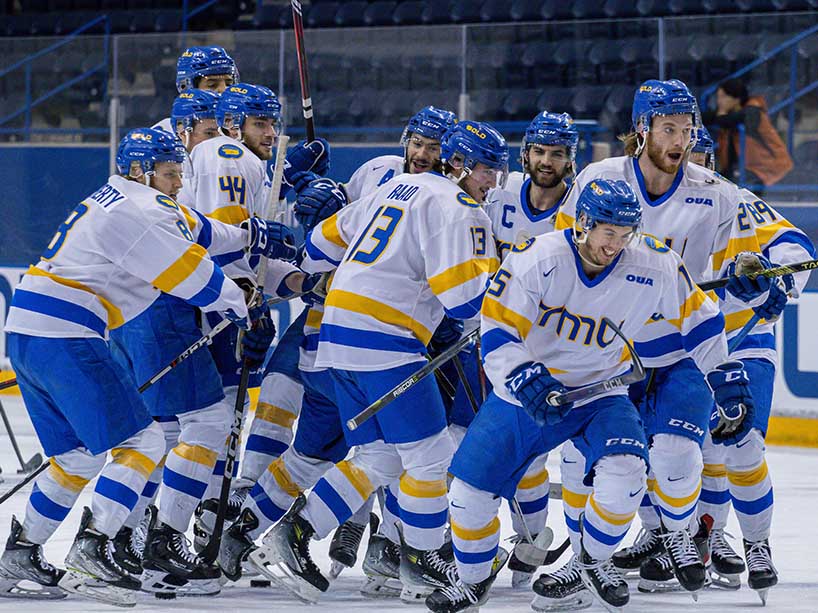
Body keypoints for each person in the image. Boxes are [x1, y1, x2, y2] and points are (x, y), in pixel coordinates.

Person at [426, 178, 755, 613]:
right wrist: (524, 375)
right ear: (583, 223)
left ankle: (592, 563)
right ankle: (471, 581)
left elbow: (701, 322)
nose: (615, 245)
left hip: (601, 391)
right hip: (527, 394)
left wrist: (725, 374)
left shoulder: (655, 262)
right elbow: (497, 329)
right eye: (608, 233)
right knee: (467, 495)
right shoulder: (536, 258)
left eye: (624, 234)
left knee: (627, 474)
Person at [241, 121, 504, 605]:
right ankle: (420, 559)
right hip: (388, 339)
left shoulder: (399, 186)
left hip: (333, 335)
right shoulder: (459, 209)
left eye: (497, 172)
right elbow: (466, 302)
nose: (492, 182)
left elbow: (318, 246)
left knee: (382, 457)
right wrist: (510, 295)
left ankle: (294, 534)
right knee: (431, 458)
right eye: (487, 170)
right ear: (462, 165)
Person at [0, 128, 255, 606]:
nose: (179, 182)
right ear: (142, 171)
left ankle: (22, 551)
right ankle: (94, 550)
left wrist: (249, 235)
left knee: (78, 456)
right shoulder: (143, 209)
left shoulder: (119, 197)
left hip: (29, 330)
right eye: (171, 173)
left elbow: (197, 227)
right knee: (145, 441)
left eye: (181, 173)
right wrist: (240, 302)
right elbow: (194, 275)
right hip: (68, 332)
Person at [539, 78, 758, 607]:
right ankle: (586, 559)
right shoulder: (598, 178)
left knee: (678, 454)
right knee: (585, 466)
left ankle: (678, 532)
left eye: (686, 129)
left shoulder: (717, 192)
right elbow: (564, 253)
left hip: (680, 352)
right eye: (668, 128)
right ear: (642, 130)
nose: (679, 140)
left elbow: (741, 263)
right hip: (608, 354)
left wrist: (749, 275)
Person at [107, 104, 295, 597]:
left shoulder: (162, 183)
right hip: (167, 313)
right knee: (201, 429)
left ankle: (127, 540)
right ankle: (153, 545)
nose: (266, 133)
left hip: (151, 313)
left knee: (166, 435)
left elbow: (220, 240)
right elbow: (209, 253)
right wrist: (245, 308)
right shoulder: (219, 163)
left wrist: (268, 268)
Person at [691, 126, 816, 600]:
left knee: (741, 445)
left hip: (742, 341)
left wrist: (776, 286)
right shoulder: (652, 207)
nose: (696, 166)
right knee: (689, 451)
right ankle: (694, 536)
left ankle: (756, 544)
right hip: (679, 344)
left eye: (703, 157)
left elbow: (794, 247)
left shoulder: (737, 201)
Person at [704, 78, 793, 192]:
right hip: (748, 167)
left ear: (736, 99)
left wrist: (721, 113)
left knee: (729, 187)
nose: (719, 101)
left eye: (723, 97)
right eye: (718, 97)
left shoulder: (752, 111)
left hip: (768, 166)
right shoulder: (732, 111)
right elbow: (708, 117)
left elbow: (727, 121)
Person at [153, 46, 239, 133]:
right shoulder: (166, 132)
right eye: (212, 85)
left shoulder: (243, 128)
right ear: (186, 87)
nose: (224, 90)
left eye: (229, 84)